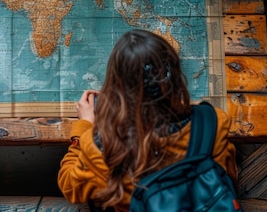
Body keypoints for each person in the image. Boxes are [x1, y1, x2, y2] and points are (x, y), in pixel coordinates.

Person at [57, 29, 237, 211]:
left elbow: (70, 187)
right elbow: (227, 176)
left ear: (116, 88)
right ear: (173, 75)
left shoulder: (101, 147)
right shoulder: (213, 123)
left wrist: (84, 126)